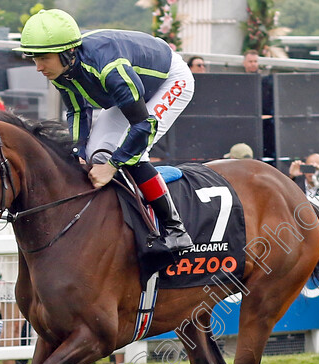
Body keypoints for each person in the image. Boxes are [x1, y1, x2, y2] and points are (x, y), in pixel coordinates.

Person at [16, 8, 195, 253]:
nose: (38, 67)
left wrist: (113, 165)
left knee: (129, 151)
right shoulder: (60, 70)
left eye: (43, 57)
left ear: (68, 52)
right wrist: (78, 150)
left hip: (170, 80)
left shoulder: (109, 68)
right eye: (34, 58)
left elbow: (143, 125)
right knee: (93, 154)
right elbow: (78, 112)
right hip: (130, 90)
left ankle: (175, 229)